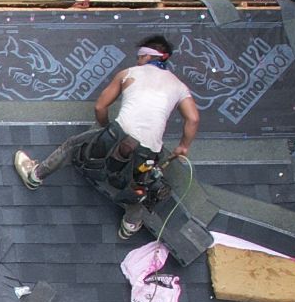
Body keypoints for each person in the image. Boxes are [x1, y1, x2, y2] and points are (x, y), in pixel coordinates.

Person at [13, 36, 201, 237]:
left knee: (72, 145)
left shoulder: (129, 73)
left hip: (116, 135)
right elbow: (193, 119)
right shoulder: (179, 87)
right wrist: (183, 147)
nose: (138, 60)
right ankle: (130, 225)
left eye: (140, 57)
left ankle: (35, 175)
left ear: (147, 56)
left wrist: (104, 128)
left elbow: (100, 107)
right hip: (148, 151)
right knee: (139, 185)